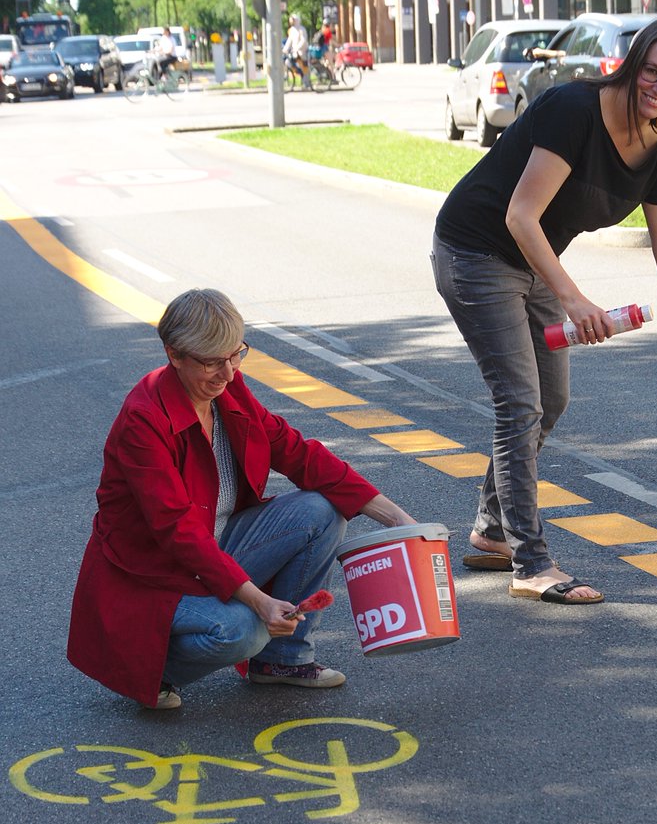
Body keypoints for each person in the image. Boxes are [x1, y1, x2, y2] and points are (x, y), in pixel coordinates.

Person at [431, 17, 657, 606]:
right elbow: (520, 214)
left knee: (551, 401)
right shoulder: (574, 110)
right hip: (475, 250)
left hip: (531, 262)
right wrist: (572, 296)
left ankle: (491, 531)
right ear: (633, 63)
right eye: (652, 72)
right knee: (520, 402)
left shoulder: (656, 147)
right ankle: (529, 562)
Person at [67, 289, 415, 711]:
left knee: (323, 509)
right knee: (243, 631)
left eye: (236, 356)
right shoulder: (144, 420)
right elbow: (178, 531)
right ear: (174, 354)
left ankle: (281, 662)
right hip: (153, 573)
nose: (228, 374)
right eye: (212, 361)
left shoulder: (225, 389)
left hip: (213, 544)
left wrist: (396, 518)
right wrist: (261, 602)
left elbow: (292, 449)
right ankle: (150, 670)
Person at [283, 14, 311, 90]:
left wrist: (297, 48)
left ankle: (306, 81)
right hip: (295, 52)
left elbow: (303, 40)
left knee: (304, 66)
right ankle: (299, 73)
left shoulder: (302, 29)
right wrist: (285, 49)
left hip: (302, 51)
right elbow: (289, 41)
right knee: (288, 62)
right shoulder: (292, 30)